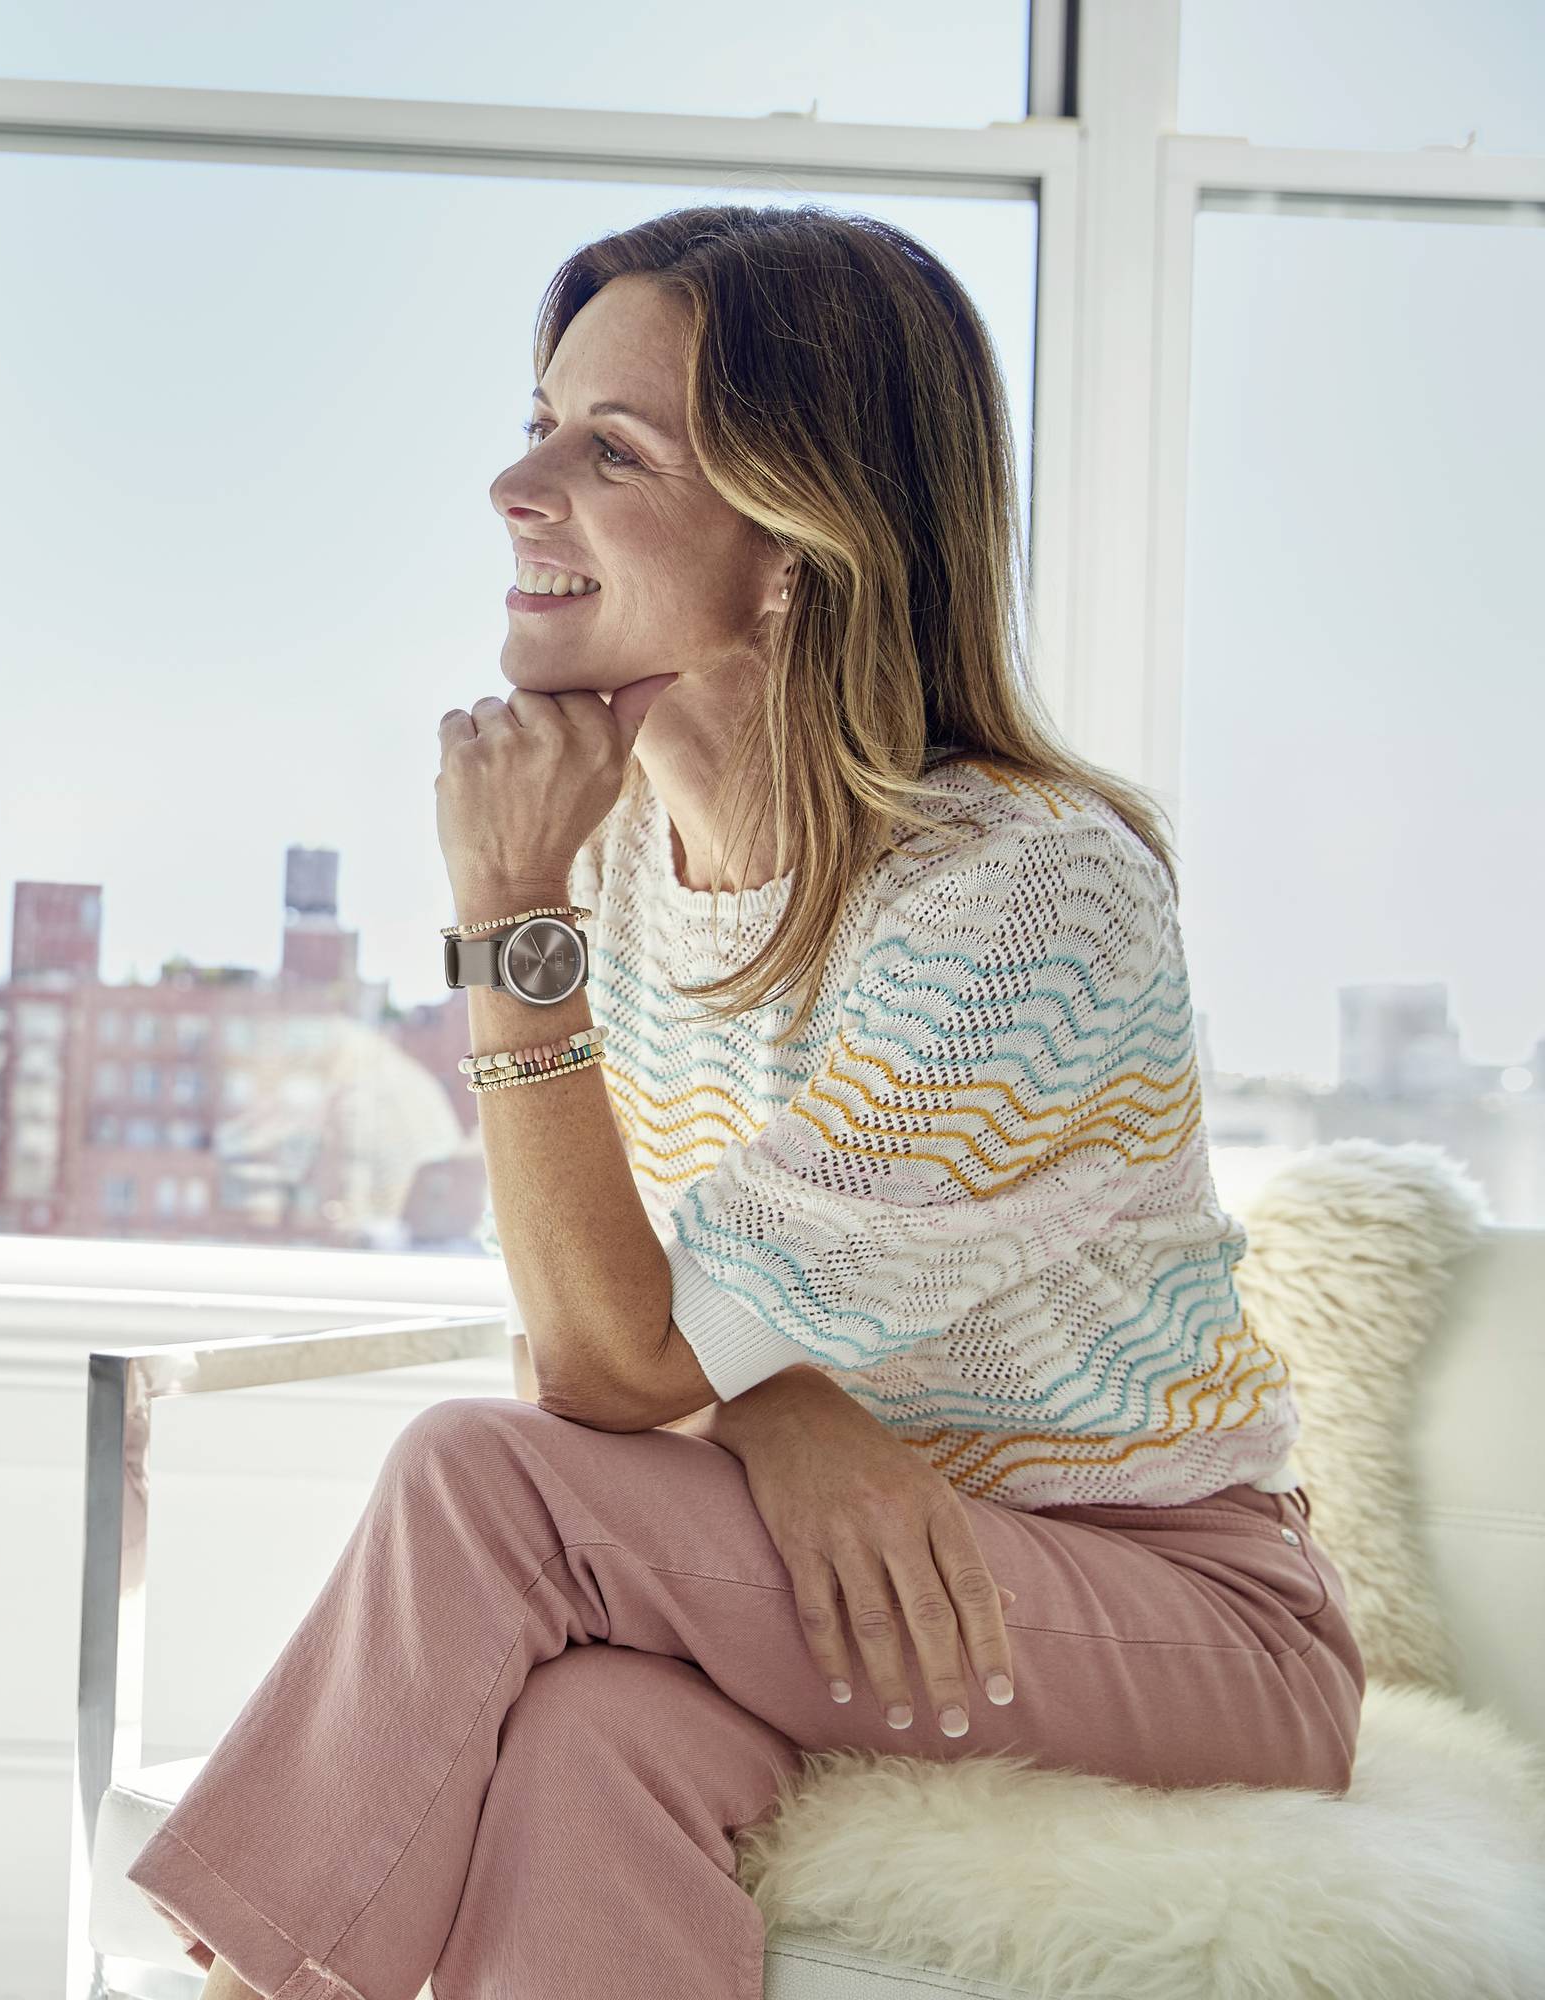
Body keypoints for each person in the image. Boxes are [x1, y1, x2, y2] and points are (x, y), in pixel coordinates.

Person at [126, 203, 1358, 2000]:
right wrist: (764, 1407)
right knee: (586, 1740)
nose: (513, 485)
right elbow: (624, 1330)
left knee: (484, 1482)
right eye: (538, 418)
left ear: (799, 544)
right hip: (835, 1563)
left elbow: (598, 1383)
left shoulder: (1023, 897)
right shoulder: (619, 851)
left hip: (1174, 1615)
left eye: (608, 448)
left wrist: (505, 931)